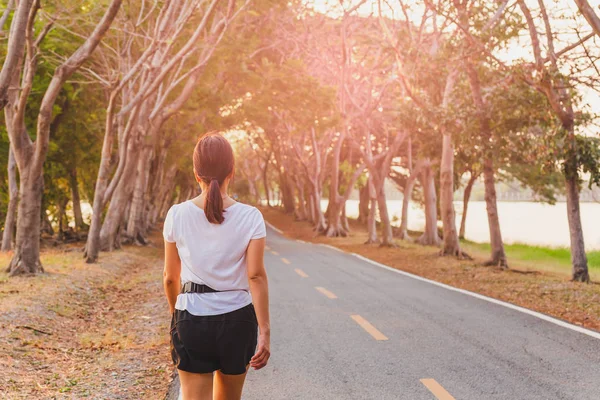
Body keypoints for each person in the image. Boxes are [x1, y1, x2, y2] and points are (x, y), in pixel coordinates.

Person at [162, 133, 270, 400]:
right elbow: (255, 276)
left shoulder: (177, 214)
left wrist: (178, 319)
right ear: (231, 171)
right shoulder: (251, 217)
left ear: (196, 173)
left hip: (192, 318)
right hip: (238, 320)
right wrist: (264, 332)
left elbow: (169, 278)